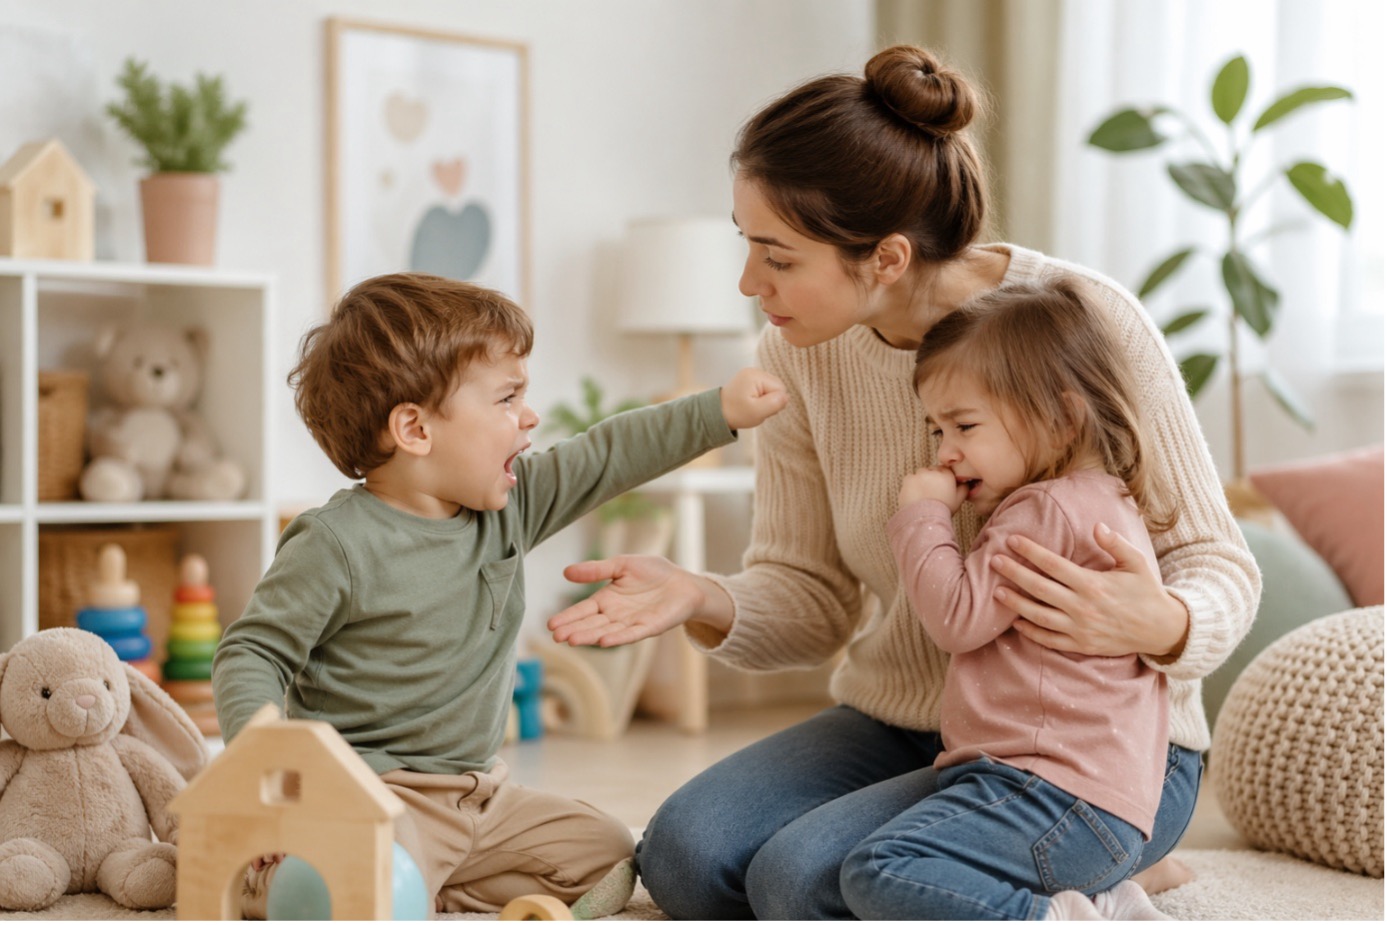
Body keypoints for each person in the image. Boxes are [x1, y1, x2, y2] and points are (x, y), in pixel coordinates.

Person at [546, 44, 1259, 920]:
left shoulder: (1081, 317)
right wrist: (697, 595)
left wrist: (1166, 620)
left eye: (777, 257)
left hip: (1089, 753)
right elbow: (809, 598)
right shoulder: (797, 357)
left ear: (883, 256)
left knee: (798, 881)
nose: (748, 283)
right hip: (910, 722)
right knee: (686, 858)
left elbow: (1216, 559)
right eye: (748, 246)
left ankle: (1086, 877)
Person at [211, 272, 787, 917]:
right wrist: (270, 781)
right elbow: (251, 653)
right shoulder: (335, 542)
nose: (530, 416)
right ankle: (294, 873)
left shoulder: (510, 506)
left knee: (606, 848)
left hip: (479, 797)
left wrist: (718, 411)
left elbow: (607, 453)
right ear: (415, 430)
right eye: (507, 398)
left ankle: (431, 883)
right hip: (369, 794)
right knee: (363, 872)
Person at [834, 277, 1178, 921]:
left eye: (963, 425)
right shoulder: (1103, 498)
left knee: (879, 869)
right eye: (937, 430)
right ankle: (1106, 897)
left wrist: (922, 517)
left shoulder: (1041, 509)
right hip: (1093, 806)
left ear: (1063, 417)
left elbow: (957, 619)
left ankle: (1060, 916)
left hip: (1051, 796)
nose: (947, 452)